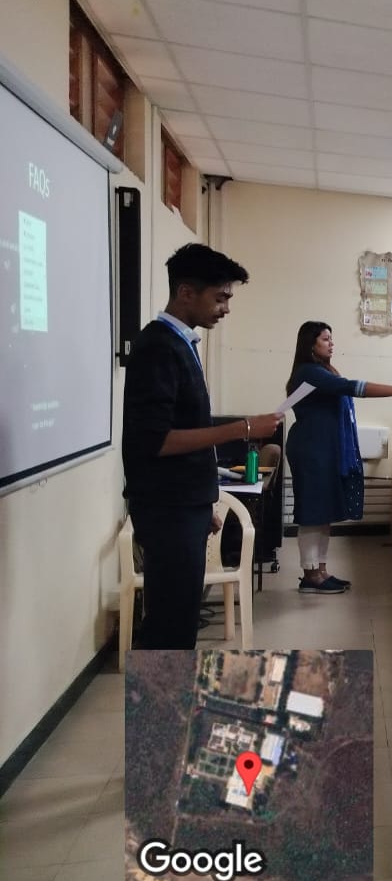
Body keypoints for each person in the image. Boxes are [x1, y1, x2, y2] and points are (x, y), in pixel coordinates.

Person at [122, 244, 283, 649]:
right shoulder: (158, 347)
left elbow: (187, 430)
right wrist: (243, 428)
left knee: (179, 621)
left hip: (183, 506)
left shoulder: (182, 344)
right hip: (167, 510)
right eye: (220, 298)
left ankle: (171, 689)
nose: (225, 309)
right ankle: (161, 692)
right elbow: (157, 440)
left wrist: (202, 502)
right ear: (186, 293)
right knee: (169, 627)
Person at [285, 321, 392, 593]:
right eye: (325, 339)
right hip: (311, 450)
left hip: (324, 448)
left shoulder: (321, 370)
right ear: (310, 344)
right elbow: (353, 387)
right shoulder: (309, 372)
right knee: (313, 512)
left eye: (331, 338)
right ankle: (310, 575)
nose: (331, 344)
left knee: (324, 512)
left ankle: (321, 571)